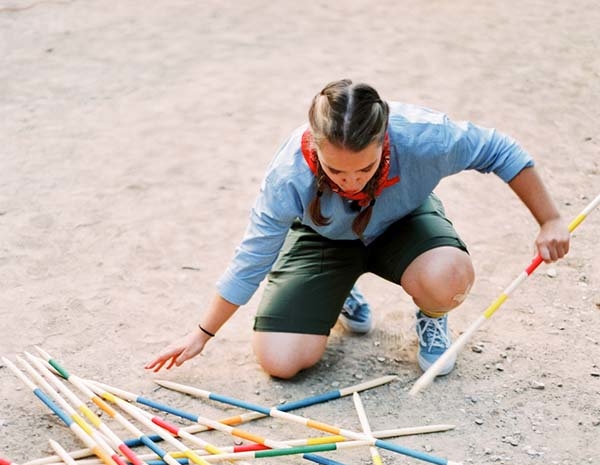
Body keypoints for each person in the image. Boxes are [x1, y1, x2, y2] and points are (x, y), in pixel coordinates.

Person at [145, 79, 570, 379]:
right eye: (336, 170)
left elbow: (501, 149)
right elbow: (251, 259)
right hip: (322, 237)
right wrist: (202, 334)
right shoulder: (287, 175)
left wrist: (549, 218)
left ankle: (433, 317)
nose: (351, 181)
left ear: (385, 139)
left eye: (365, 168)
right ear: (314, 143)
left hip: (401, 222)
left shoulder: (426, 136)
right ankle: (340, 292)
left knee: (449, 277)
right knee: (280, 362)